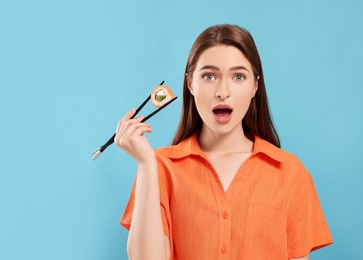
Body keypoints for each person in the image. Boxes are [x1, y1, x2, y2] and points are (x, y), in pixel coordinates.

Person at [114, 24, 333, 260]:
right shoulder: (159, 168)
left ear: (255, 86)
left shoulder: (290, 172)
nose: (222, 91)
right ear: (190, 84)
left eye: (238, 76)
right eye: (209, 76)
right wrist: (146, 166)